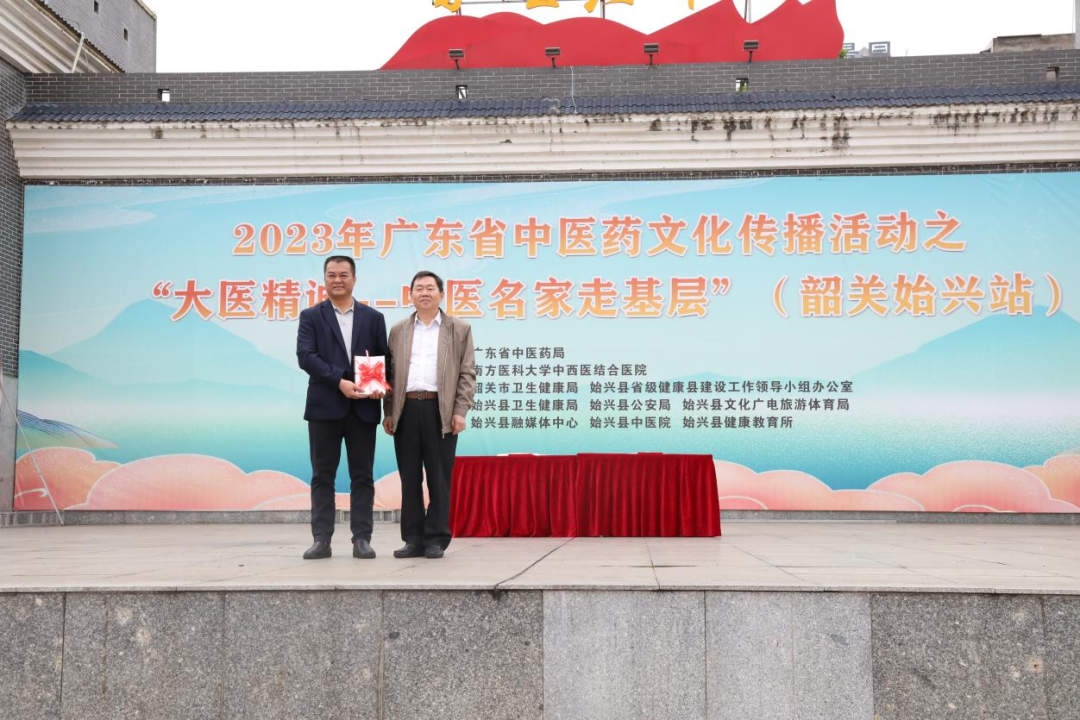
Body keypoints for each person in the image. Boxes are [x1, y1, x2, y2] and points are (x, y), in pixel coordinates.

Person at [296, 255, 388, 560]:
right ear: (324, 279)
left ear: (354, 279)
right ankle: (321, 539)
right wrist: (339, 381)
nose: (338, 279)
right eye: (332, 274)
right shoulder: (311, 316)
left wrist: (379, 385)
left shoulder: (373, 318)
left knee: (362, 476)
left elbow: (382, 358)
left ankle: (362, 538)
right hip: (324, 407)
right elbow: (306, 356)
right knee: (323, 475)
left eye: (344, 274)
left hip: (363, 408)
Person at [382, 270, 476, 559]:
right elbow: (389, 374)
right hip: (407, 409)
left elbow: (467, 373)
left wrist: (460, 411)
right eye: (419, 288)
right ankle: (412, 539)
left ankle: (436, 538)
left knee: (439, 477)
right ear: (410, 295)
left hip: (441, 410)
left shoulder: (459, 328)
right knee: (409, 478)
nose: (424, 293)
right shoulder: (398, 330)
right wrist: (389, 411)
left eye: (430, 288)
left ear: (441, 294)